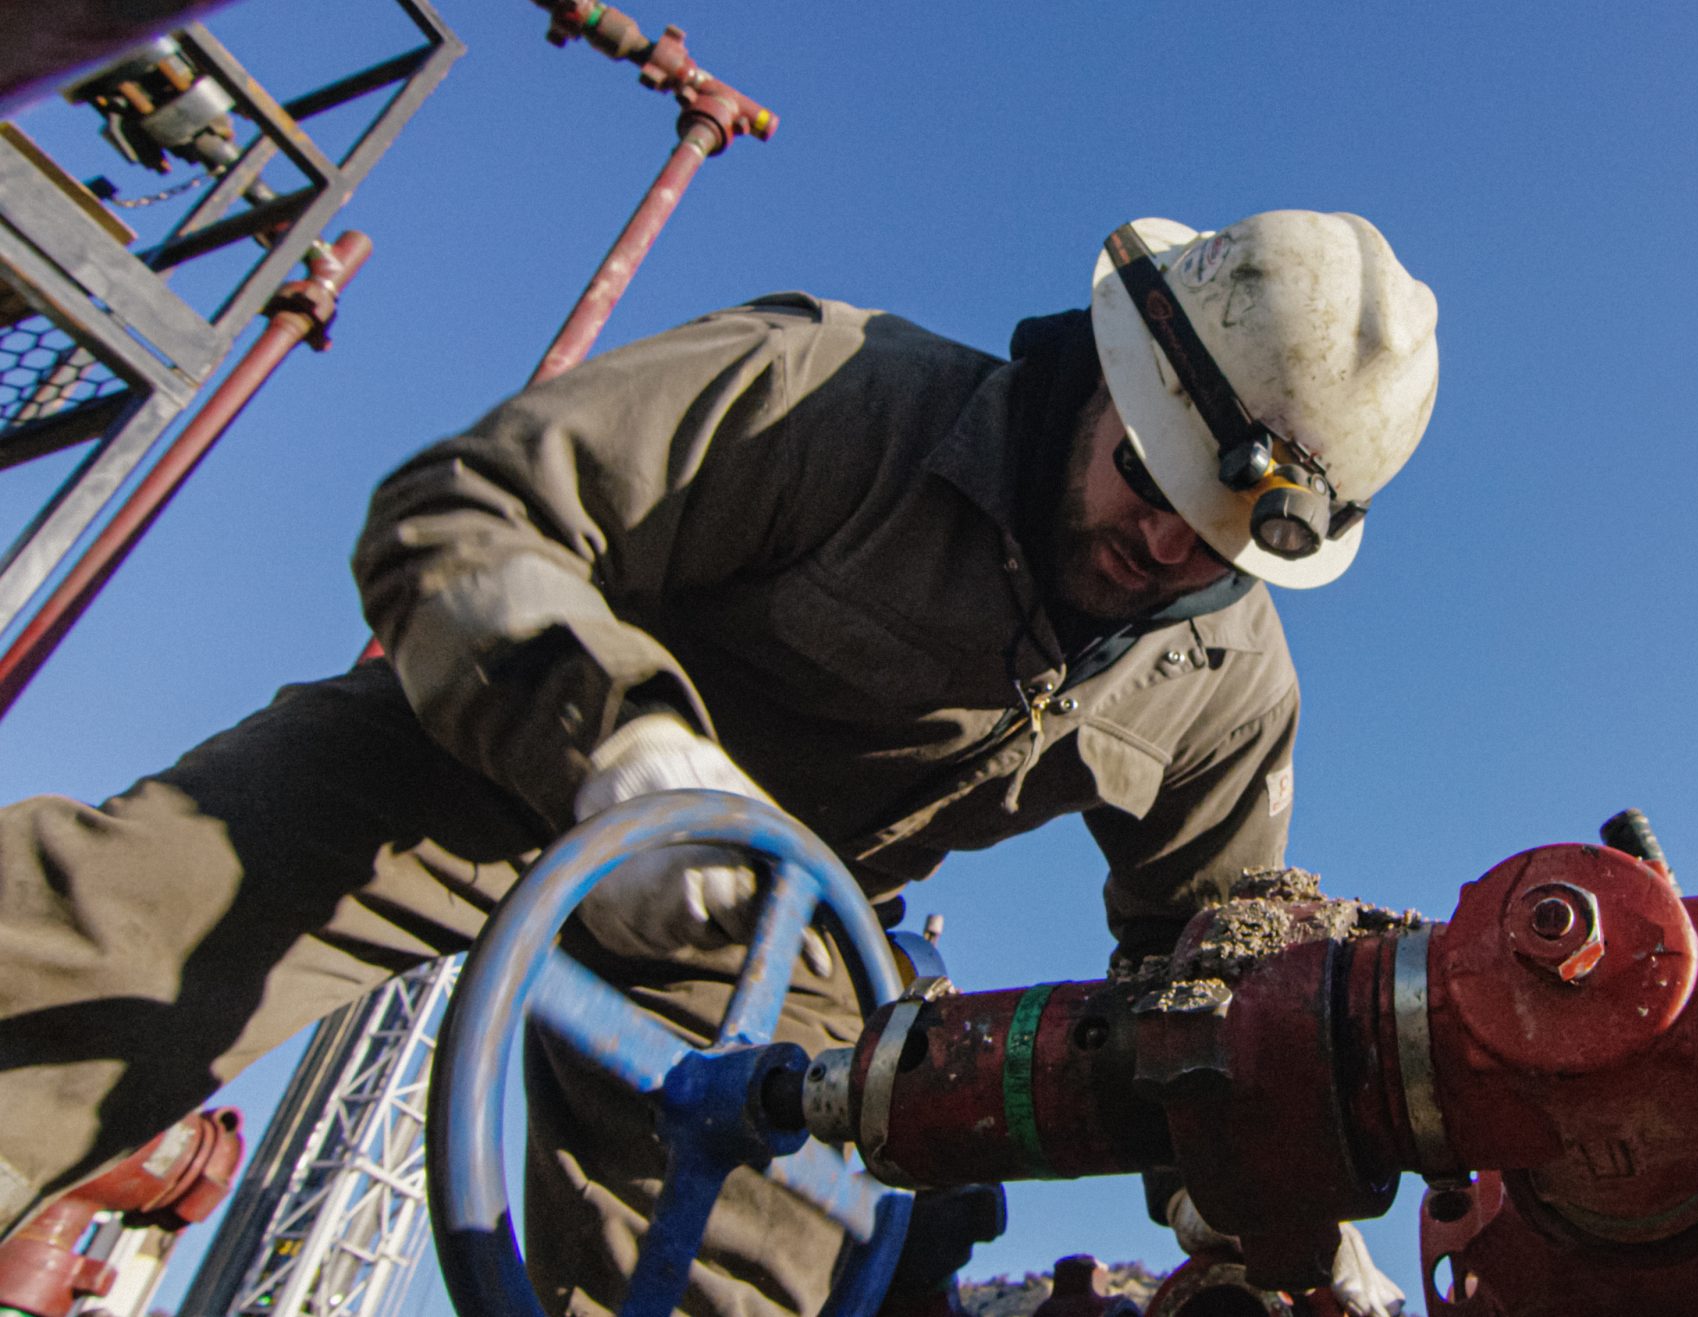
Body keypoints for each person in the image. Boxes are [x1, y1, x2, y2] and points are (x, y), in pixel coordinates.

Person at [0, 210, 1437, 1316]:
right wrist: (619, 746)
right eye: (1152, 481)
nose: (1166, 549)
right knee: (89, 950)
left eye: (1221, 542)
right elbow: (462, 509)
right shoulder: (836, 390)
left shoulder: (1226, 680)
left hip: (770, 936)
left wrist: (1271, 1202)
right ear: (1113, 376)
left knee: (797, 1265)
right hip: (485, 758)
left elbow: (1211, 971)